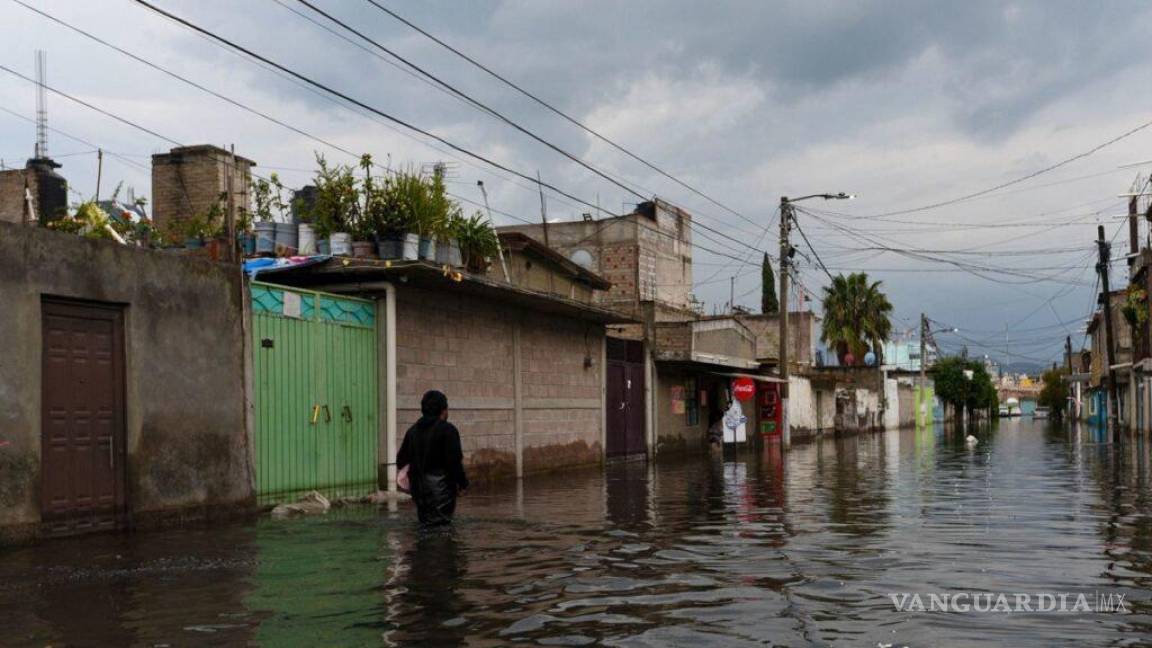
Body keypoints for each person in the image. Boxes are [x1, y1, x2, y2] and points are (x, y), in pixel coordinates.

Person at [397, 390, 469, 526]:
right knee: (442, 532)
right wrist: (463, 484)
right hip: (441, 492)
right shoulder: (448, 430)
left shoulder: (412, 431)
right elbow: (454, 463)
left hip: (419, 491)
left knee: (425, 527)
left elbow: (401, 460)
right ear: (443, 410)